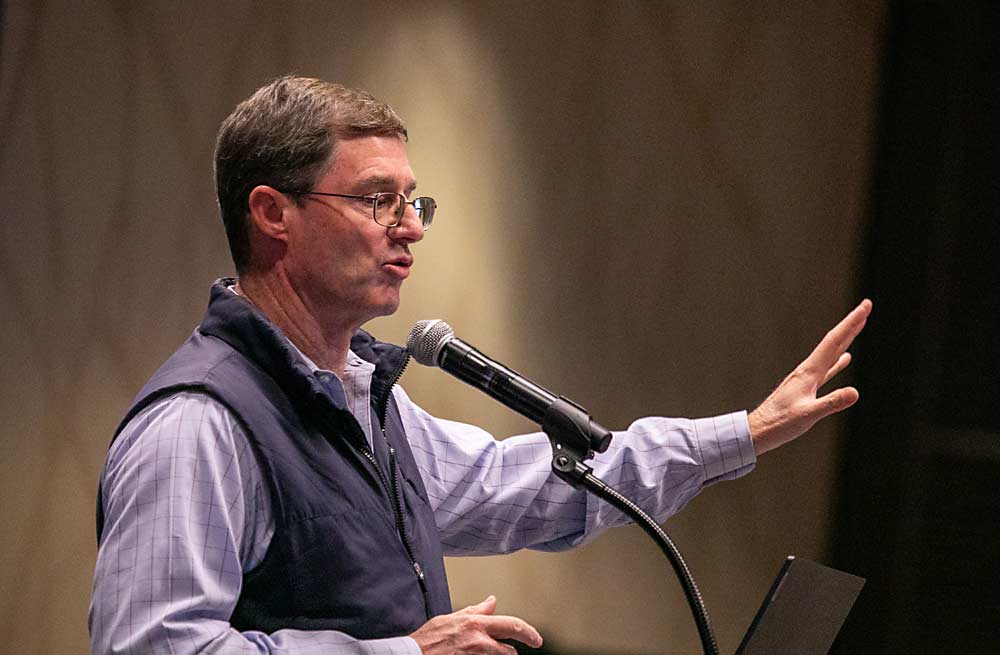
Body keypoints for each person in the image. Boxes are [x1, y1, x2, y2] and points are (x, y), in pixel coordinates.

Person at [89, 75, 871, 655]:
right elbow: (155, 650)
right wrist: (402, 654)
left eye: (414, 202)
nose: (409, 229)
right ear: (272, 214)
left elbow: (538, 487)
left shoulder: (367, 402)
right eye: (375, 201)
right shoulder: (198, 425)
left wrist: (746, 431)